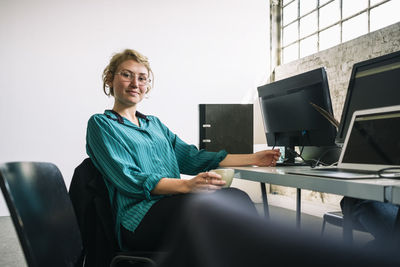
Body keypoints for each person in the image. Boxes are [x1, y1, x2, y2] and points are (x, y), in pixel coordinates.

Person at [85, 48, 281, 252]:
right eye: (127, 75)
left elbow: (193, 158)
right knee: (217, 212)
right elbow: (130, 179)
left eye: (142, 78)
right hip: (139, 218)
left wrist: (256, 158)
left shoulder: (154, 124)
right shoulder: (102, 124)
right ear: (109, 79)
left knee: (236, 198)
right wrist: (188, 186)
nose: (135, 84)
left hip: (174, 204)